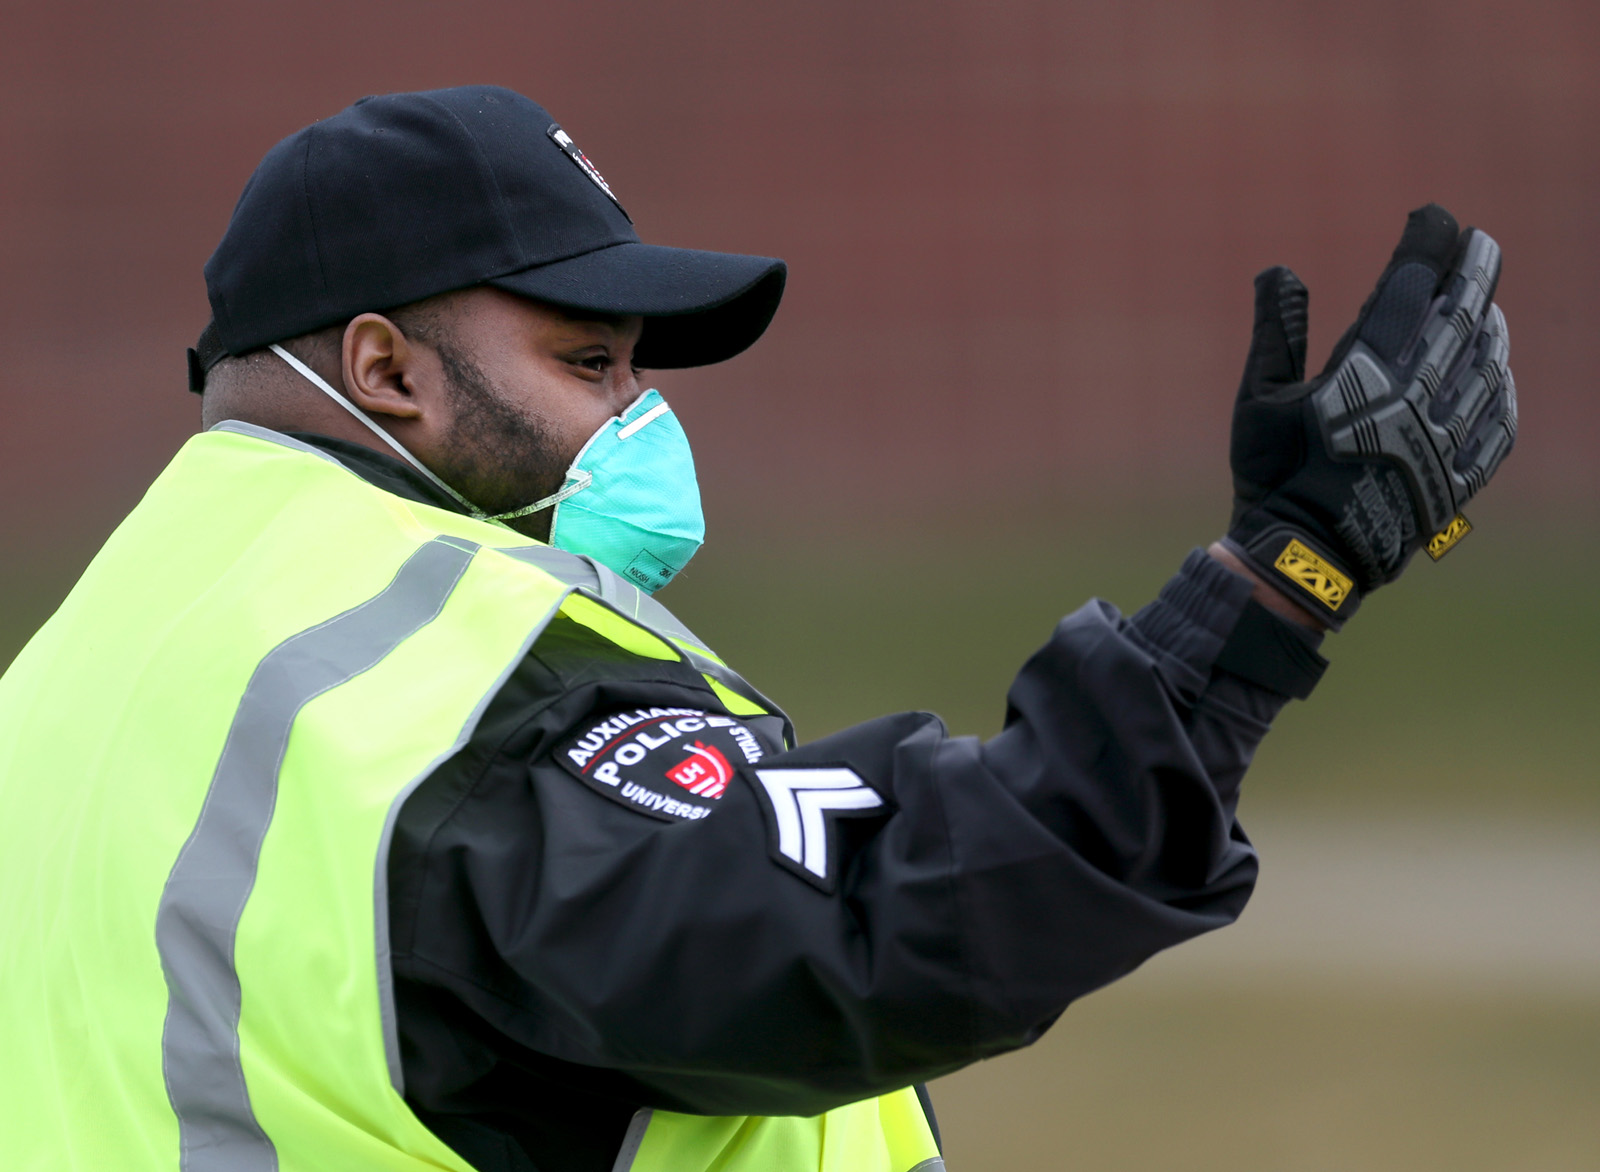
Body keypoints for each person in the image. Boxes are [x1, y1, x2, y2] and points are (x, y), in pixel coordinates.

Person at [0, 84, 1515, 1172]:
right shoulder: (443, 675)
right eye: (588, 362)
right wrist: (1271, 590)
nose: (638, 416)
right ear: (385, 370)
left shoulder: (81, 674)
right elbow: (872, 924)